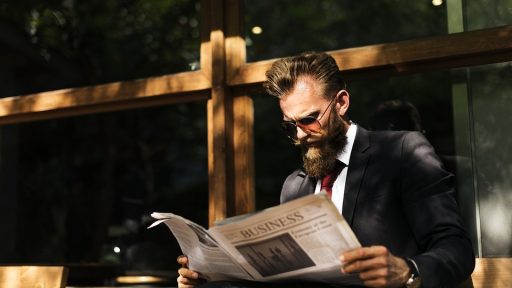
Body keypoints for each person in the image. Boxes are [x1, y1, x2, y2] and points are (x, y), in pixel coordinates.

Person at [177, 52, 475, 288]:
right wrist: (210, 279)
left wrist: (408, 272)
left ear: (342, 102)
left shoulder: (401, 152)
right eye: (290, 125)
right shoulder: (295, 185)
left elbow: (456, 249)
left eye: (309, 120)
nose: (301, 135)